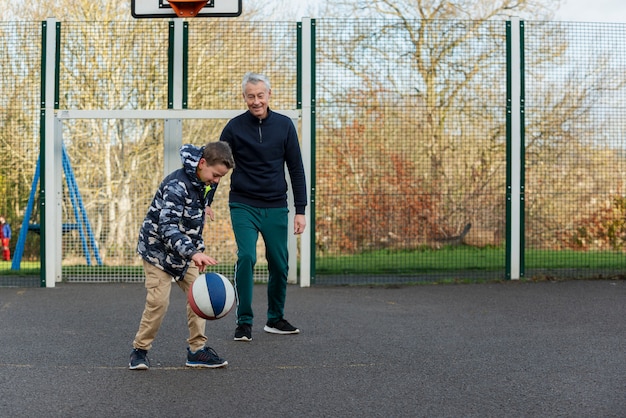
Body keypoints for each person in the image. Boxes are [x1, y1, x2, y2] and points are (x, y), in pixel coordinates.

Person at [129, 141, 235, 370]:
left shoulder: (207, 180)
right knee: (158, 302)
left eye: (221, 178)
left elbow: (202, 198)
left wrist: (205, 206)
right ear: (202, 163)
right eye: (215, 175)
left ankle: (197, 351)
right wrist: (194, 253)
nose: (217, 181)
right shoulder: (177, 185)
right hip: (157, 251)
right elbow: (167, 227)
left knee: (201, 297)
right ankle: (140, 350)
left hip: (187, 252)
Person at [220, 72, 307, 342]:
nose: (255, 101)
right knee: (246, 257)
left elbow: (295, 168)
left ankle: (275, 318)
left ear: (269, 95)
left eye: (260, 95)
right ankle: (244, 321)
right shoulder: (234, 127)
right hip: (243, 204)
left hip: (276, 206)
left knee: (279, 264)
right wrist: (205, 201)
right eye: (250, 96)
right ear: (244, 97)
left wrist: (300, 209)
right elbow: (215, 164)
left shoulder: (284, 126)